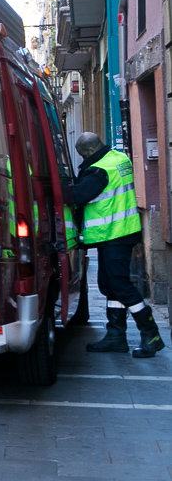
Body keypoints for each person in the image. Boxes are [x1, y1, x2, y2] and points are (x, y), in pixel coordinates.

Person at [64, 132, 164, 358]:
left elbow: (77, 196)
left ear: (88, 152)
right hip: (120, 233)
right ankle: (115, 336)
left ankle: (151, 334)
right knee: (109, 285)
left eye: (82, 155)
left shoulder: (98, 171)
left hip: (113, 233)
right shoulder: (118, 158)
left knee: (120, 285)